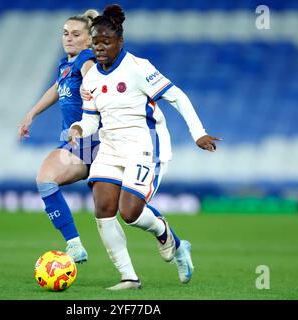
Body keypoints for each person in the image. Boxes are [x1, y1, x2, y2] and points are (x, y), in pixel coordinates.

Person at [69, 4, 220, 290]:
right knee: (102, 206)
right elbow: (90, 120)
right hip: (110, 146)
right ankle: (128, 277)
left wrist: (198, 133)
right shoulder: (89, 78)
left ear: (120, 41)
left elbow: (177, 96)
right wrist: (79, 128)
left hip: (144, 145)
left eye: (107, 41)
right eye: (96, 42)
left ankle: (168, 237)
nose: (100, 48)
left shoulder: (139, 68)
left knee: (130, 213)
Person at [17, 10, 99, 263]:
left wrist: (93, 90)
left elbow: (92, 77)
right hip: (78, 144)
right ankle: (74, 244)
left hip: (96, 141)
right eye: (65, 33)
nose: (69, 38)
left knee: (128, 211)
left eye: (76, 34)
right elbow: (56, 89)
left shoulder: (86, 59)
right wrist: (32, 113)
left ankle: (173, 243)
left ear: (88, 40)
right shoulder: (66, 65)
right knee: (46, 179)